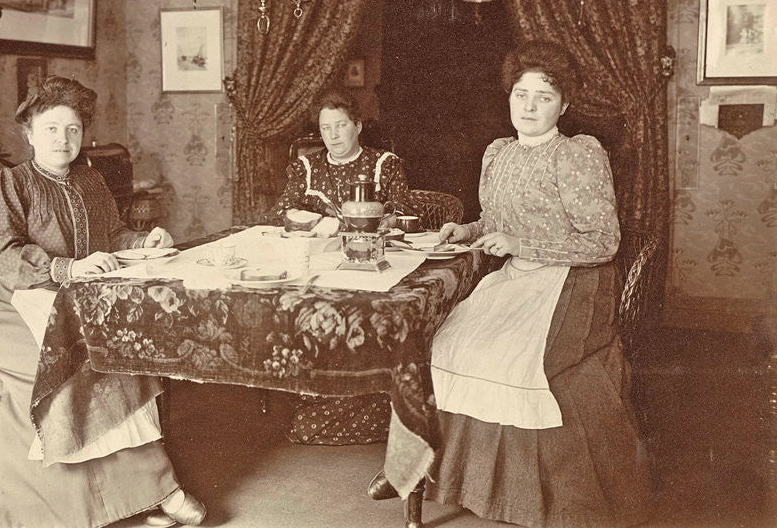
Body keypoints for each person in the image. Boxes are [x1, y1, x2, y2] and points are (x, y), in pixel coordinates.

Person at [369, 44, 650, 528]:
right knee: (441, 344)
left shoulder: (578, 153)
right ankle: (420, 471)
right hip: (516, 277)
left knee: (504, 356)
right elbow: (494, 220)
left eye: (543, 97)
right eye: (521, 94)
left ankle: (522, 496)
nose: (529, 106)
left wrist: (518, 241)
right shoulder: (498, 153)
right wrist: (468, 231)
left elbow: (603, 242)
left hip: (572, 280)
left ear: (564, 105)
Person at [0, 76, 205, 528]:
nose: (63, 140)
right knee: (81, 358)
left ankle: (142, 494)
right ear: (29, 133)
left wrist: (144, 243)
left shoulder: (91, 180)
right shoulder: (8, 184)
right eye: (52, 129)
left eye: (73, 129)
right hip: (14, 302)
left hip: (77, 296)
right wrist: (67, 269)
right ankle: (153, 493)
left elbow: (112, 236)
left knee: (119, 352)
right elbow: (5, 258)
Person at [270, 89, 412, 446]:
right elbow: (282, 212)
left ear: (358, 125)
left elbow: (406, 214)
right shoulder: (306, 167)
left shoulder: (384, 164)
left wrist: (372, 224)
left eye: (341, 126)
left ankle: (369, 401)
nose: (332, 135)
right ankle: (323, 394)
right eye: (325, 127)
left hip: (369, 264)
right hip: (321, 261)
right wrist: (317, 224)